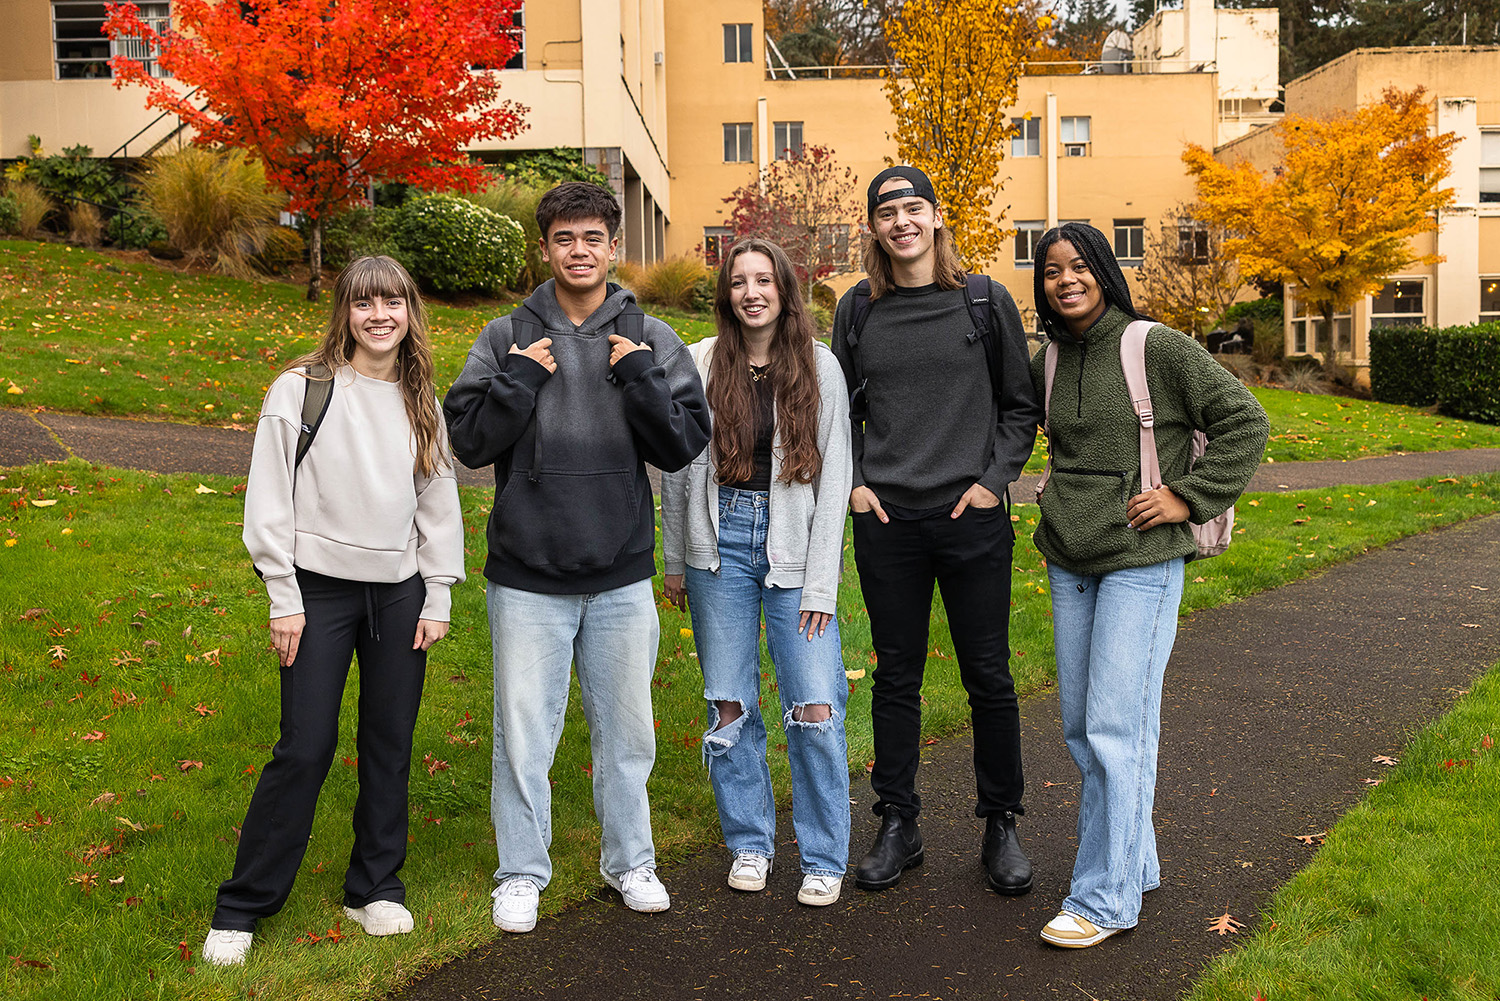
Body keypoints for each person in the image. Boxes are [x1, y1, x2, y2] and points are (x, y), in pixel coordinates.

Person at [443, 181, 710, 934]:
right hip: (528, 576)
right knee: (524, 733)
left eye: (593, 237)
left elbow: (683, 442)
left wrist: (639, 379)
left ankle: (630, 861)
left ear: (614, 246)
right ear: (546, 247)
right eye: (565, 239)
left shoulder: (651, 337)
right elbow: (467, 441)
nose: (580, 251)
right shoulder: (504, 336)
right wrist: (521, 379)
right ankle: (521, 872)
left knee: (628, 733)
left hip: (620, 572)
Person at [203, 256, 465, 966]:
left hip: (400, 592)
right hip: (317, 592)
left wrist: (437, 591)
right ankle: (243, 905)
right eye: (364, 303)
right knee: (306, 744)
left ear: (411, 312)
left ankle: (374, 885)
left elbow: (438, 503)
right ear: (344, 312)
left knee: (389, 741)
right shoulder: (303, 389)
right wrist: (282, 596)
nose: (379, 315)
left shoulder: (421, 399)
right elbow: (268, 502)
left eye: (393, 302)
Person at [1029, 222, 1268, 948]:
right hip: (1069, 555)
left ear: (1103, 270)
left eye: (1078, 266)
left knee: (1114, 726)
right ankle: (1137, 859)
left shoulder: (1152, 346)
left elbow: (1245, 421)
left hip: (1141, 558)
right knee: (1084, 725)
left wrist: (1187, 496)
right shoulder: (1049, 357)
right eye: (1051, 271)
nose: (1065, 279)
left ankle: (1104, 899)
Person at [831, 166, 1042, 896]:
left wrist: (992, 483)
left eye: (912, 207)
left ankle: (1001, 821)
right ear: (874, 228)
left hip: (971, 519)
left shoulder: (983, 301)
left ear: (937, 216)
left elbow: (1021, 406)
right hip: (888, 521)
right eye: (886, 211)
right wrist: (856, 482)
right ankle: (899, 820)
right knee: (896, 677)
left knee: (989, 676)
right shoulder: (856, 310)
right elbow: (839, 412)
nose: (900, 220)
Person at [660, 238, 854, 907]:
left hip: (795, 547)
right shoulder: (699, 362)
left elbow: (836, 483)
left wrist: (822, 583)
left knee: (814, 702)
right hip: (720, 546)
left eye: (763, 280)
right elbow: (679, 469)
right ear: (727, 293)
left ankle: (825, 854)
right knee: (729, 701)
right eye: (738, 281)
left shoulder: (820, 368)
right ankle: (749, 841)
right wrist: (676, 560)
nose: (751, 292)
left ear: (783, 290)